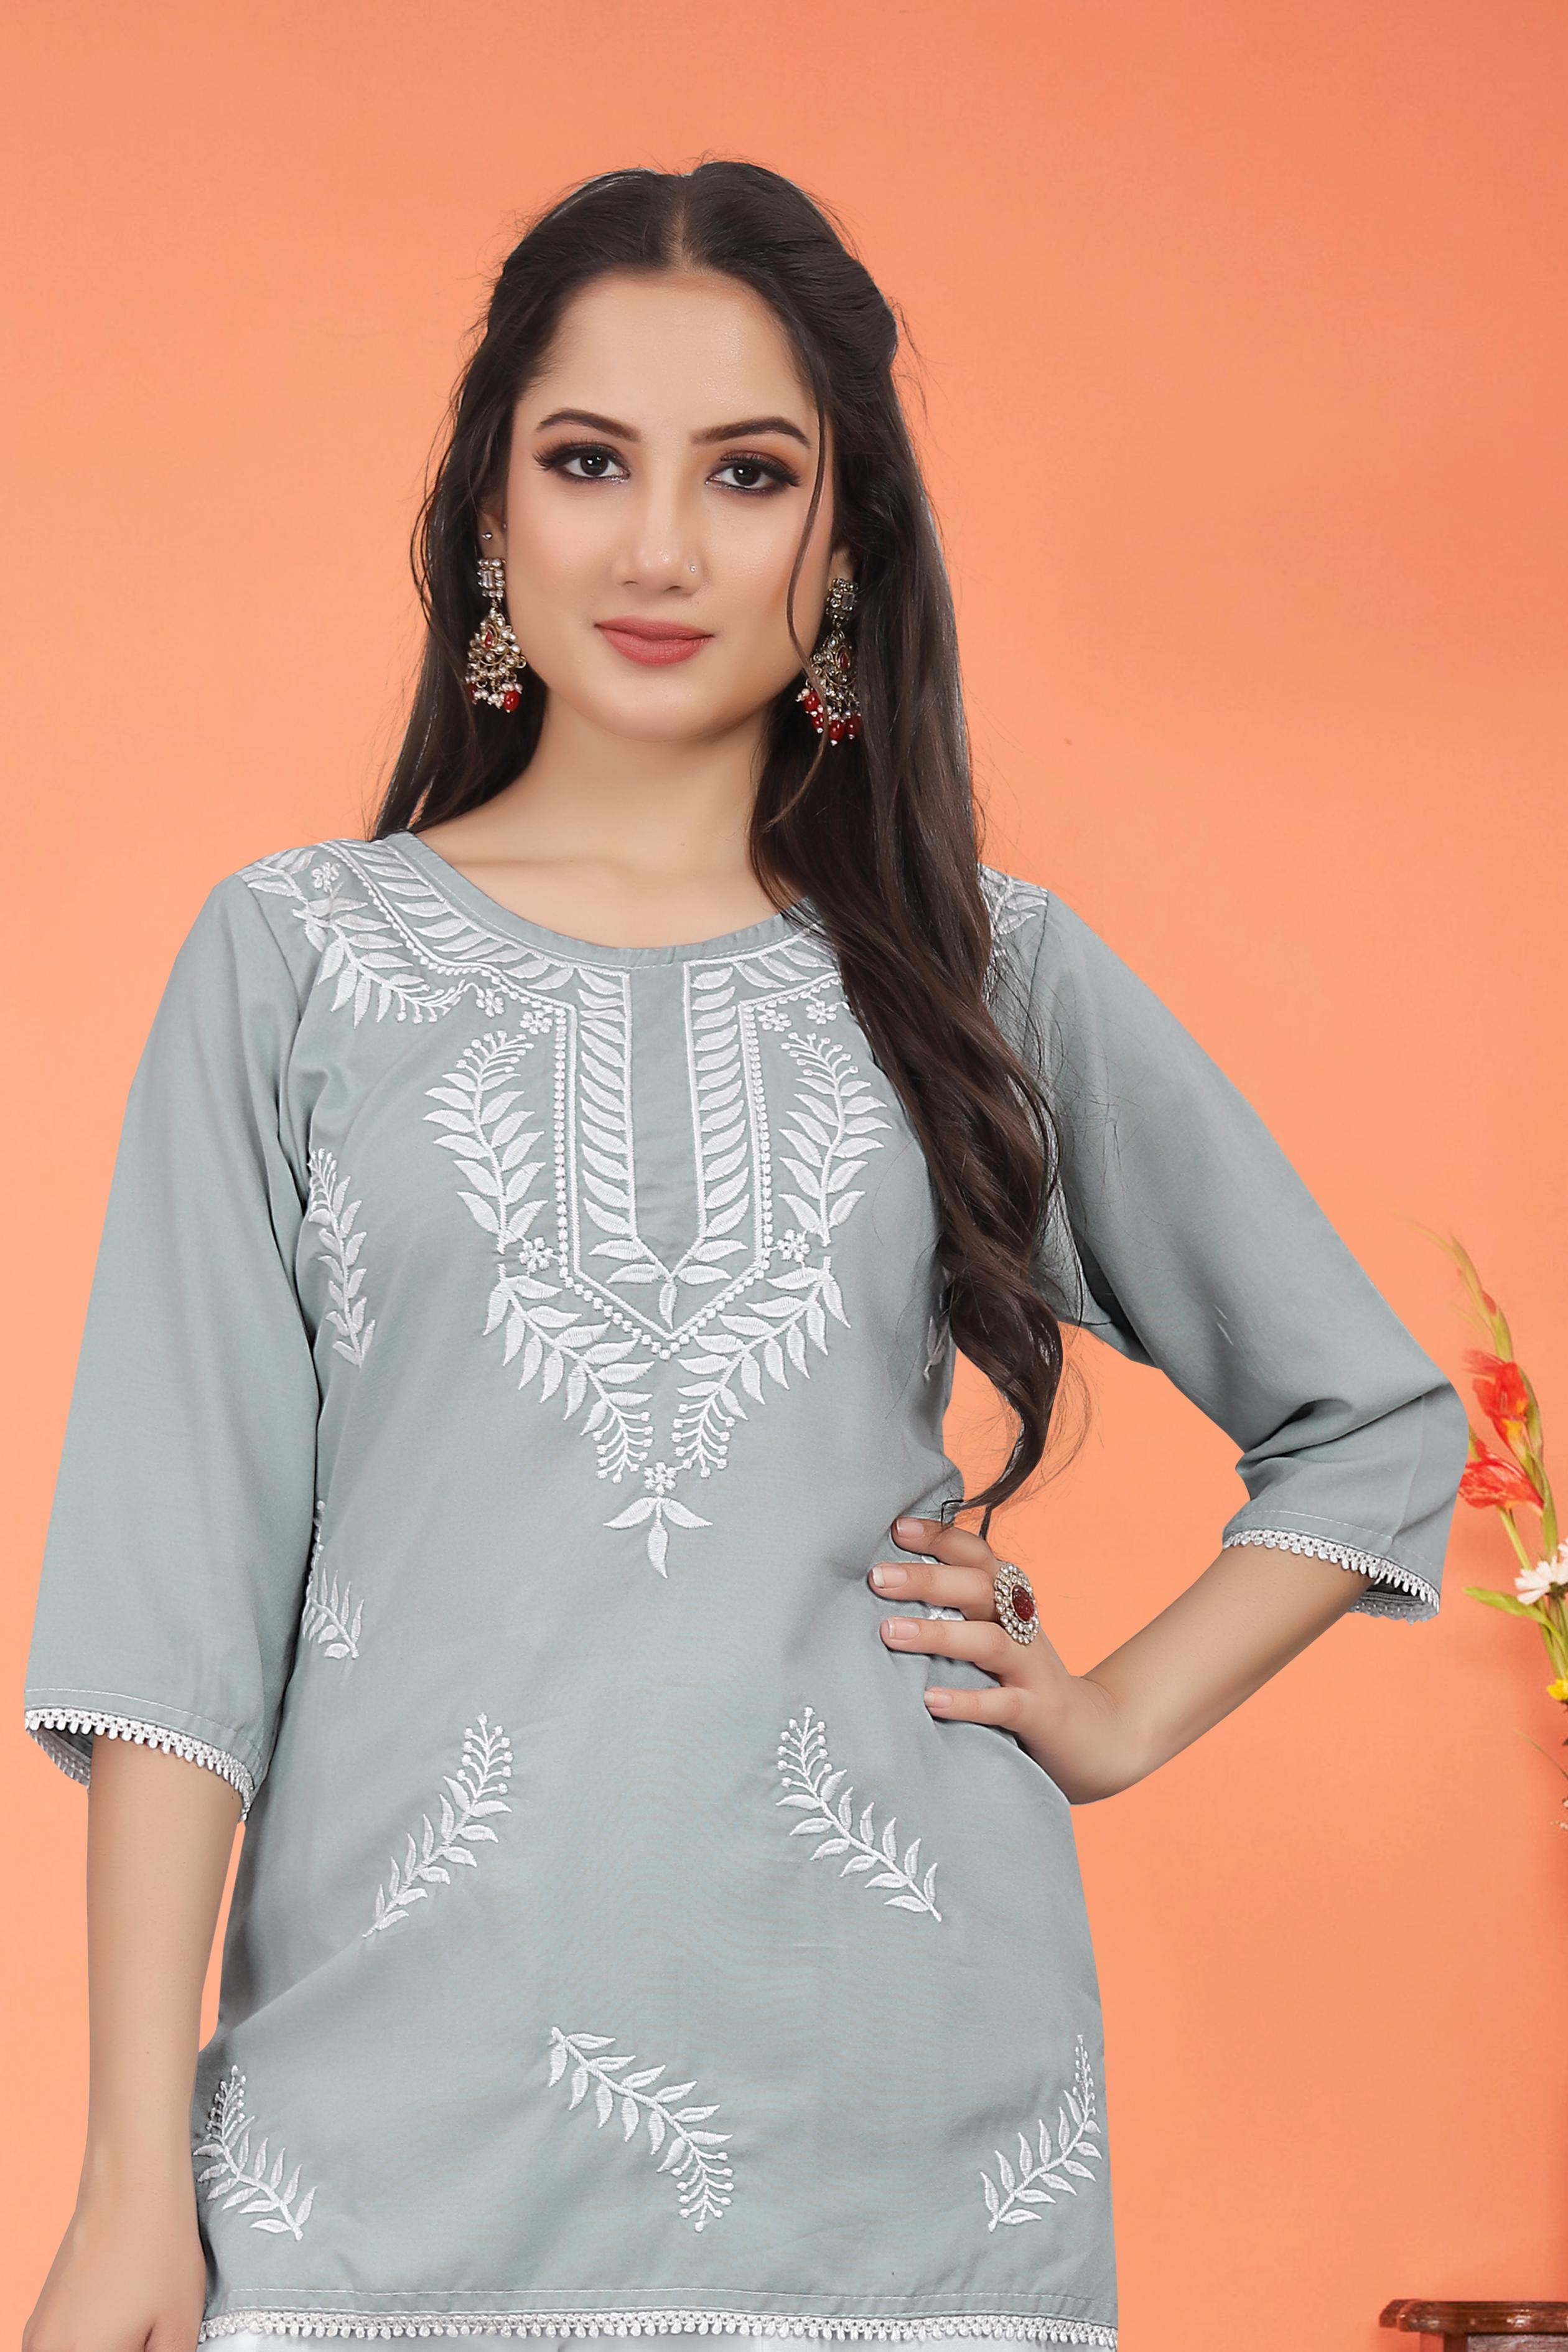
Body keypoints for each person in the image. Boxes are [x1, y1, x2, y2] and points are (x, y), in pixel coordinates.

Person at [21, 161, 1467, 2352]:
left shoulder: (977, 974)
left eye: (751, 472)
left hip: (902, 2147)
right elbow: (176, 1610)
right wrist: (137, 2178)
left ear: (848, 539)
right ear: (489, 514)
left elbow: (1372, 1421)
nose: (661, 549)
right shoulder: (300, 964)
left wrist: (1108, 1717)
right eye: (590, 461)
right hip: (380, 2157)